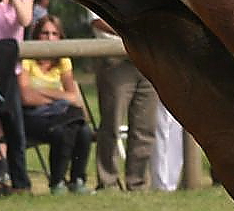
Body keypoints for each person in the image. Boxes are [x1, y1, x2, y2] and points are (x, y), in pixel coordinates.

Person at [17, 14, 94, 192]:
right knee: (64, 129)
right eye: (44, 33)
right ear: (37, 36)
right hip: (32, 116)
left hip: (59, 115)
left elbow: (73, 97)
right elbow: (25, 97)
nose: (49, 38)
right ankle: (57, 182)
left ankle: (77, 180)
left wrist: (41, 92)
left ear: (60, 37)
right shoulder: (27, 58)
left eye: (54, 34)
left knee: (83, 131)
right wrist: (59, 97)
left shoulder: (64, 60)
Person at [88, 15, 158, 192]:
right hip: (115, 59)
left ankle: (138, 183)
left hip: (146, 57)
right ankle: (108, 182)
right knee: (111, 125)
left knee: (145, 128)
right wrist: (131, 32)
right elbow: (96, 20)